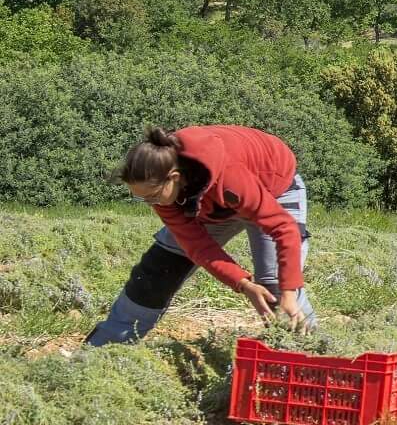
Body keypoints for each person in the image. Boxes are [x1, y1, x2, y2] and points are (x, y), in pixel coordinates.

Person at [87, 125, 314, 347]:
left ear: (174, 177)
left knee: (276, 291)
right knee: (159, 272)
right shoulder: (160, 187)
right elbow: (198, 247)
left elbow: (283, 228)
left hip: (274, 190)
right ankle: (104, 348)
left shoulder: (229, 176)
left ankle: (309, 356)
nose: (149, 204)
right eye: (141, 198)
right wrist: (243, 284)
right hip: (209, 205)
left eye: (152, 196)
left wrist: (288, 292)